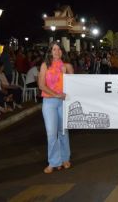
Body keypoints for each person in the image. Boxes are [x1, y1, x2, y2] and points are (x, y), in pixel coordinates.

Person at [39, 41, 74, 174]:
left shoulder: (68, 66)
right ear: (50, 51)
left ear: (62, 51)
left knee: (63, 131)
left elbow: (74, 84)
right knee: (51, 133)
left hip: (64, 102)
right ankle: (54, 162)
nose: (57, 52)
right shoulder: (44, 66)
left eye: (59, 49)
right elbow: (41, 85)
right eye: (54, 49)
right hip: (49, 102)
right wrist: (56, 95)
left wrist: (66, 73)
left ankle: (65, 158)